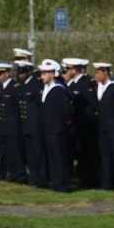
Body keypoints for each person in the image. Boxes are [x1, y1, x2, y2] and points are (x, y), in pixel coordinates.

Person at [64, 58, 99, 189]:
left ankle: (90, 180)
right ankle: (83, 178)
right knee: (80, 153)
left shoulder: (87, 83)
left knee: (88, 154)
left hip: (86, 126)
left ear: (75, 69)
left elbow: (91, 106)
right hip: (76, 126)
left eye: (69, 68)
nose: (67, 71)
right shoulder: (73, 84)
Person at [38, 59, 72, 193]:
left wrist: (61, 126)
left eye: (45, 73)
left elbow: (65, 111)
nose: (42, 77)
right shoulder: (47, 89)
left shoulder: (59, 90)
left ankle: (62, 183)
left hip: (57, 130)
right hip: (48, 129)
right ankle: (55, 181)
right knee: (52, 157)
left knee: (59, 157)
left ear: (53, 74)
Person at [93, 61, 114, 192]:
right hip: (102, 127)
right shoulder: (99, 87)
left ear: (105, 72)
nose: (96, 75)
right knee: (106, 155)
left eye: (98, 72)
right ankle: (108, 182)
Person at [17, 59, 46, 189]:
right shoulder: (22, 85)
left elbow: (40, 105)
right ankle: (33, 177)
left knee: (38, 152)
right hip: (26, 124)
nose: (20, 74)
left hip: (35, 124)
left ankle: (41, 177)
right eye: (19, 71)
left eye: (23, 71)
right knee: (30, 153)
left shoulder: (36, 84)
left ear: (29, 71)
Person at [0, 64, 26, 184]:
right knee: (7, 151)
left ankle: (20, 174)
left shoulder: (15, 87)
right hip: (4, 125)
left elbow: (19, 107)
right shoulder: (2, 87)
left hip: (14, 125)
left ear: (7, 73)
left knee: (15, 151)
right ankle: (12, 173)